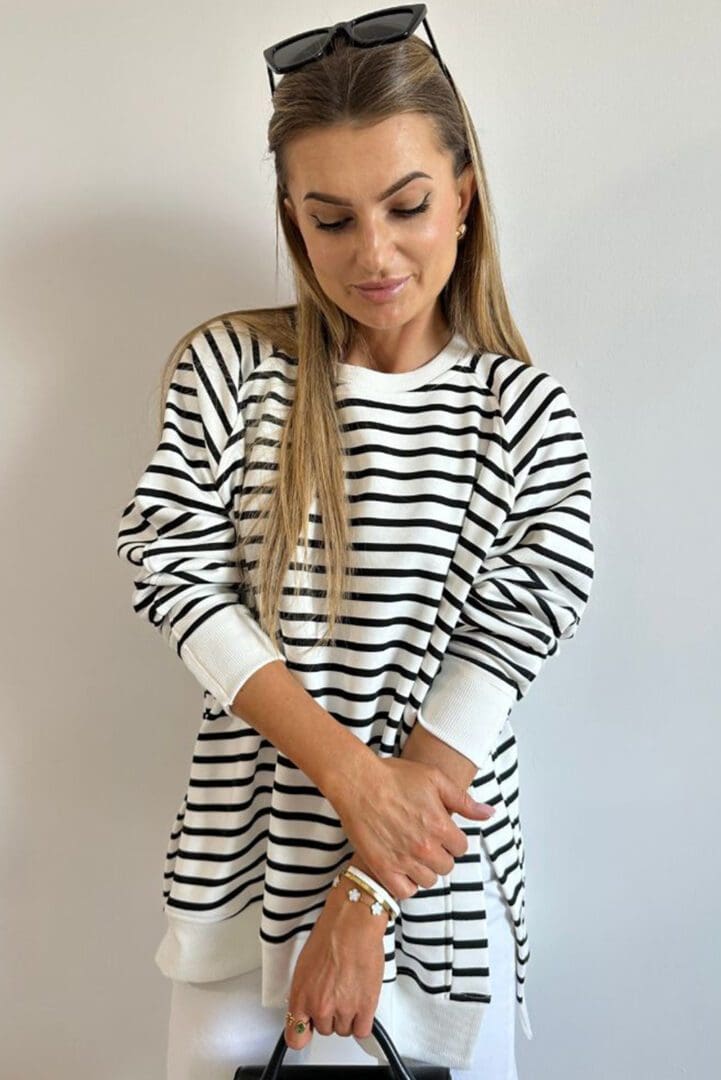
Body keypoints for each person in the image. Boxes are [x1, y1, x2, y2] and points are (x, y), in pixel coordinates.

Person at [115, 7, 595, 1079]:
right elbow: (172, 575)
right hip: (240, 889)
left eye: (407, 206)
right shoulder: (230, 372)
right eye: (330, 219)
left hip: (437, 909)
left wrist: (364, 896)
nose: (373, 254)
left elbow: (493, 663)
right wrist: (354, 782)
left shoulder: (527, 417)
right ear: (293, 222)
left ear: (463, 196)